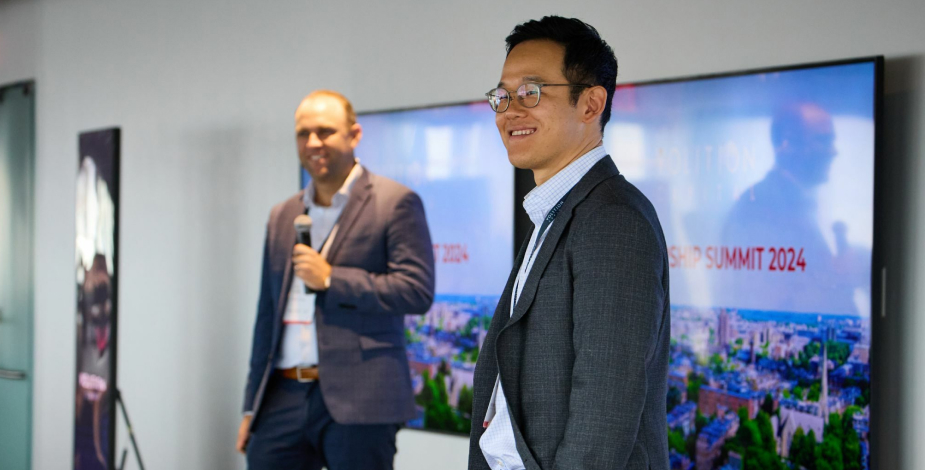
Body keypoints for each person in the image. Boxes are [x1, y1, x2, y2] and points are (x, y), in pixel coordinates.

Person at [469, 17, 670, 470]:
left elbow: (604, 411)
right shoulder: (555, 209)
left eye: (532, 93)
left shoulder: (614, 219)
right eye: (502, 96)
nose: (510, 110)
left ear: (591, 103)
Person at [237, 90, 435, 470]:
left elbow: (416, 291)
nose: (313, 143)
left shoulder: (395, 202)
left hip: (362, 397)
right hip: (282, 395)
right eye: (303, 133)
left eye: (325, 132)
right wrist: (251, 405)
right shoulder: (283, 215)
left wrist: (331, 279)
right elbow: (266, 315)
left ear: (354, 135)